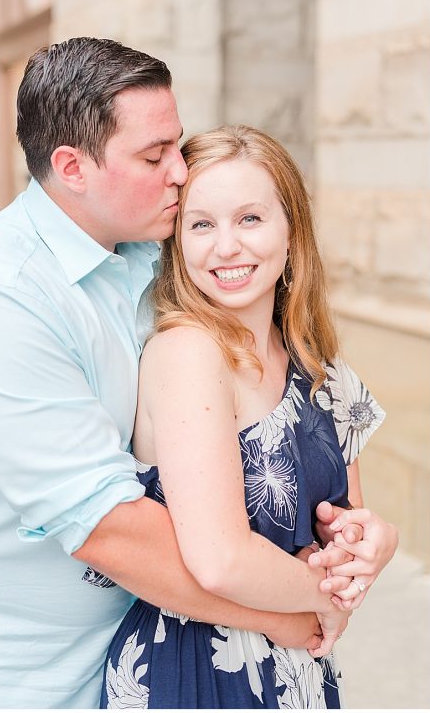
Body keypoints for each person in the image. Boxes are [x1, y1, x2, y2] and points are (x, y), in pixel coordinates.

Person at [0, 38, 394, 708]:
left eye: (176, 145)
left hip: (139, 642)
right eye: (155, 155)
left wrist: (368, 544)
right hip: (17, 675)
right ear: (72, 166)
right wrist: (304, 609)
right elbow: (111, 528)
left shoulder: (151, 252)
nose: (180, 171)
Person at [99, 125, 397, 708]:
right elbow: (220, 560)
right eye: (202, 224)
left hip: (299, 667)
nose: (227, 247)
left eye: (250, 219)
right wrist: (328, 596)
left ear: (292, 232)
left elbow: (344, 523)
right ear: (177, 242)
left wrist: (374, 545)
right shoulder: (187, 354)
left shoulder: (319, 366)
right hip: (197, 672)